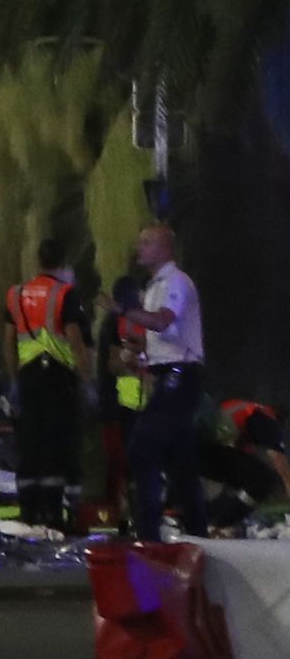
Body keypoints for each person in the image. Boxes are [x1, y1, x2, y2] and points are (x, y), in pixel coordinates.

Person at [98, 223, 206, 541]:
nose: (139, 247)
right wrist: (141, 353)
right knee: (180, 459)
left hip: (180, 377)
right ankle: (198, 532)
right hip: (167, 375)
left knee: (142, 449)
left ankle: (149, 534)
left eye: (147, 242)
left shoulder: (176, 282)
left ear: (165, 248)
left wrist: (122, 310)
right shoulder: (154, 286)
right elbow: (164, 338)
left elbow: (161, 321)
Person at [3, 239, 93, 531]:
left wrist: (14, 379)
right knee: (56, 443)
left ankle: (29, 511)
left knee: (29, 442)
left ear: (38, 261)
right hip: (58, 378)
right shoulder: (65, 294)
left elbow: (8, 342)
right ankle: (53, 514)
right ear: (62, 263)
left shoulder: (15, 295)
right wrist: (87, 380)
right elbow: (75, 340)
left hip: (27, 377)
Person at [92, 275, 147, 526]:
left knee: (123, 464)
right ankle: (116, 516)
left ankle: (120, 515)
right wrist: (136, 364)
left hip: (122, 405)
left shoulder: (116, 322)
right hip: (117, 406)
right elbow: (115, 364)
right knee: (120, 464)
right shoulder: (116, 322)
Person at [201, 400, 290, 529]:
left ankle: (204, 516)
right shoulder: (266, 421)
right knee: (263, 480)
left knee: (241, 482)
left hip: (194, 446)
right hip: (206, 448)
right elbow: (279, 460)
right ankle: (219, 522)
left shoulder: (245, 410)